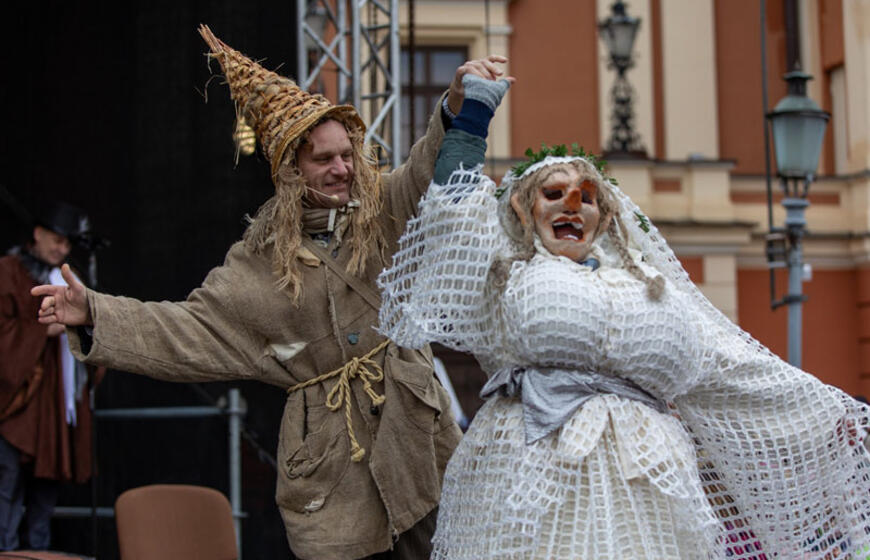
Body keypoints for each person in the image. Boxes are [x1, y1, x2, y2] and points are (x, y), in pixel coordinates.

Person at [32, 25, 511, 560]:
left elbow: (426, 170)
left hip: (419, 448)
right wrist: (94, 312)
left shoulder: (384, 209)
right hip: (333, 474)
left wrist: (454, 103)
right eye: (323, 159)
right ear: (289, 169)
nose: (342, 169)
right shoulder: (257, 263)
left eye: (347, 154)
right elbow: (184, 330)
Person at [377, 75, 870, 559]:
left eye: (587, 198)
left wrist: (833, 412)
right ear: (524, 211)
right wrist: (472, 118)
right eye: (554, 194)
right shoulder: (506, 271)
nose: (573, 205)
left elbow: (731, 365)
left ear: (606, 217)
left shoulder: (648, 284)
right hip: (531, 477)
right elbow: (454, 213)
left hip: (649, 487)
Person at [0, 201, 99, 551]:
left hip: (57, 406)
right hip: (17, 405)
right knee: (8, 486)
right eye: (57, 240)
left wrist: (87, 326)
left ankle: (39, 554)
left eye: (67, 243)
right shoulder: (7, 272)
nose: (62, 249)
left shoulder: (70, 280)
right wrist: (45, 330)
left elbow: (94, 334)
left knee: (46, 491)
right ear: (37, 234)